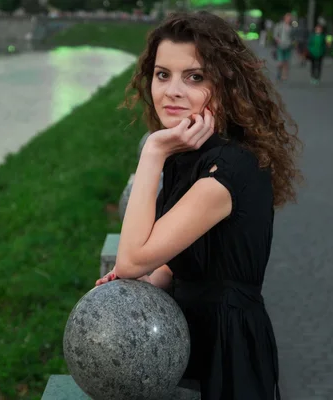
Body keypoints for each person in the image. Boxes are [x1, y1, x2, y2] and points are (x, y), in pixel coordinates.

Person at [95, 11, 303, 400]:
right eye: (162, 74)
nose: (172, 90)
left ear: (224, 86)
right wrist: (148, 282)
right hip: (190, 333)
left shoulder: (227, 170)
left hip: (227, 352)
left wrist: (153, 151)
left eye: (194, 77)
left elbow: (130, 258)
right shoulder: (194, 155)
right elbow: (187, 255)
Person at [273, 13, 295, 82]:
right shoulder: (280, 25)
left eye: (290, 18)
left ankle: (284, 75)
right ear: (285, 18)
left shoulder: (292, 27)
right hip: (281, 46)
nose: (289, 19)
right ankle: (278, 73)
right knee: (280, 62)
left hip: (288, 46)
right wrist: (278, 40)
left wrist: (292, 42)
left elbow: (293, 36)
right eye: (288, 18)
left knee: (286, 62)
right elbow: (275, 35)